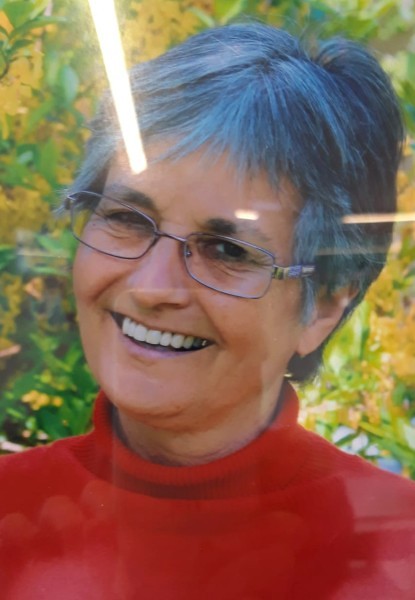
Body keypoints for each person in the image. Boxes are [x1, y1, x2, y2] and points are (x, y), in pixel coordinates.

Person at [1, 22, 415, 599]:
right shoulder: (11, 513)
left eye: (227, 251)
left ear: (323, 305)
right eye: (126, 218)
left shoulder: (397, 560)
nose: (151, 287)